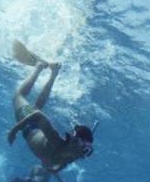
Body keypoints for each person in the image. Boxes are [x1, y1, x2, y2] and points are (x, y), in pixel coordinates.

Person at [7, 42, 95, 173]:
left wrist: (56, 169)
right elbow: (38, 116)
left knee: (37, 107)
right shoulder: (55, 140)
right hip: (29, 125)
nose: (84, 156)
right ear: (75, 141)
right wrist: (14, 130)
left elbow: (63, 163)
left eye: (87, 152)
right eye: (85, 150)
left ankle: (53, 73)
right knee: (18, 96)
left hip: (33, 128)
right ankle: (38, 67)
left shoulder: (72, 156)